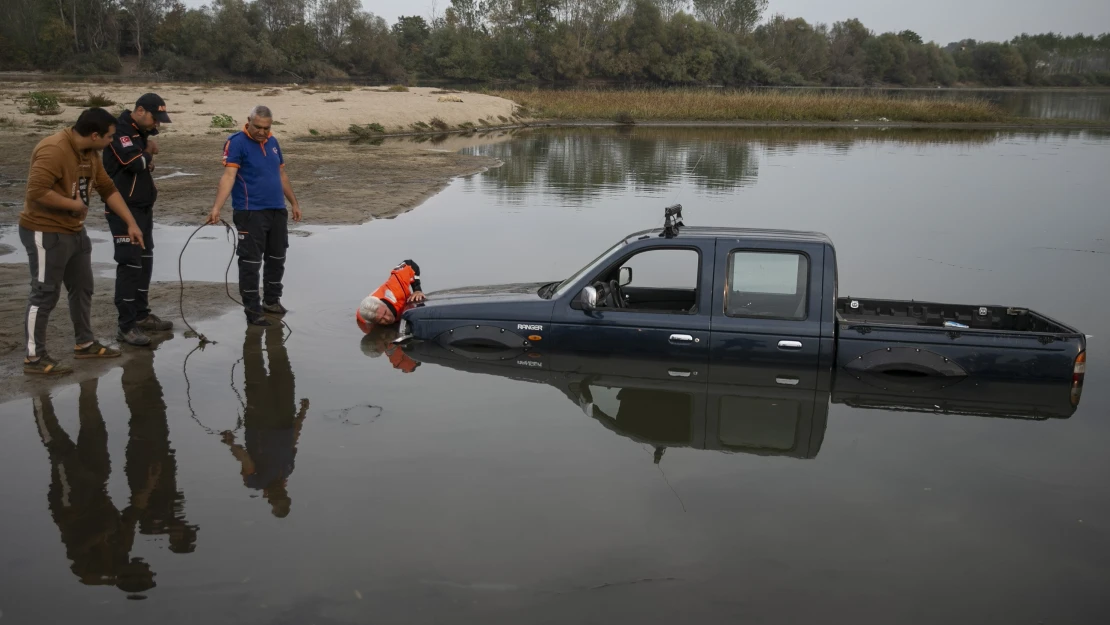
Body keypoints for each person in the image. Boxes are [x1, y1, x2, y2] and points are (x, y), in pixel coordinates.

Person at [20, 108, 146, 375]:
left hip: (75, 232)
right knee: (44, 294)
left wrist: (131, 223)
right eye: (110, 137)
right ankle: (34, 357)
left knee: (83, 288)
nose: (112, 141)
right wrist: (73, 205)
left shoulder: (91, 153)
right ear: (94, 134)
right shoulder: (54, 149)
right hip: (45, 232)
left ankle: (85, 344)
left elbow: (107, 188)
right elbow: (37, 191)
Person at [206, 105, 302, 326]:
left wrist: (294, 203)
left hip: (277, 210)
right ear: (248, 121)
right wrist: (216, 208)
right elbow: (229, 176)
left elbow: (282, 174)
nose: (262, 132)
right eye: (258, 127)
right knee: (250, 262)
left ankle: (272, 301)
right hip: (250, 212)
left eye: (266, 128)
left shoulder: (274, 142)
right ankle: (252, 310)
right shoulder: (236, 142)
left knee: (277, 258)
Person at [103, 93, 174, 346]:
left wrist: (146, 155)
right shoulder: (120, 129)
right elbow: (132, 162)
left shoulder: (139, 132)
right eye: (155, 118)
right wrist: (147, 152)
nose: (157, 125)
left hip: (143, 207)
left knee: (144, 261)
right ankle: (126, 326)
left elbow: (140, 163)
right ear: (141, 111)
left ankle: (142, 316)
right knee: (130, 265)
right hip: (123, 209)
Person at [221, 325, 309, 518]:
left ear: (269, 498)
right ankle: (271, 331)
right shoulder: (287, 470)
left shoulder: (256, 482)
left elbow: (245, 459)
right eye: (282, 496)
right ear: (286, 494)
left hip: (260, 421)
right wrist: (302, 414)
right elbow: (293, 440)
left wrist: (230, 443)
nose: (279, 493)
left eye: (276, 498)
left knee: (256, 372)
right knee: (282, 372)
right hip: (284, 417)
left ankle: (255, 330)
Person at [355, 260, 425, 334]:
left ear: (383, 304)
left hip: (403, 302)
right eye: (381, 320)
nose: (388, 318)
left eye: (385, 312)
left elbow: (410, 264)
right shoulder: (364, 317)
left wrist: (417, 290)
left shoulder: (396, 286)